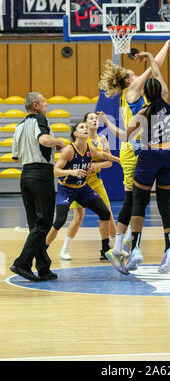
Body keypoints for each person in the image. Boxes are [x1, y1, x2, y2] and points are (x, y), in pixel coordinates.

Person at [98, 36, 170, 261]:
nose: (137, 75)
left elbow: (157, 73)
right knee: (135, 200)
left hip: (140, 147)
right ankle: (124, 245)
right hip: (135, 148)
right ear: (128, 81)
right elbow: (157, 71)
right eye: (133, 74)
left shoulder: (143, 103)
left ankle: (124, 244)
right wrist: (160, 49)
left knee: (138, 199)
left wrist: (163, 47)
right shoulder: (134, 90)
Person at [10, 92, 65, 282]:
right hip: (41, 174)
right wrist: (59, 142)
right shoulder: (40, 119)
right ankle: (22, 263)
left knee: (36, 224)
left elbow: (16, 157)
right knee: (44, 223)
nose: (46, 104)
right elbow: (43, 140)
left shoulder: (19, 126)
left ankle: (43, 267)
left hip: (25, 175)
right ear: (35, 106)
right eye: (43, 102)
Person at [45, 122, 121, 249]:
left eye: (86, 127)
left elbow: (102, 155)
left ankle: (105, 249)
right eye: (82, 127)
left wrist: (118, 160)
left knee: (105, 213)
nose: (85, 128)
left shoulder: (88, 148)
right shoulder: (69, 150)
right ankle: (43, 249)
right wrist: (71, 172)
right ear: (75, 133)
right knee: (60, 220)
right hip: (66, 189)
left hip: (83, 189)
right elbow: (54, 171)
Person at [59, 112, 117, 261]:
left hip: (96, 181)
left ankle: (115, 247)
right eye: (91, 119)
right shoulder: (81, 141)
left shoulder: (102, 139)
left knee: (108, 213)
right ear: (84, 123)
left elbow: (108, 161)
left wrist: (96, 165)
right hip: (79, 183)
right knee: (78, 217)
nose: (95, 121)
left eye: (96, 119)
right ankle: (65, 248)